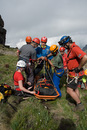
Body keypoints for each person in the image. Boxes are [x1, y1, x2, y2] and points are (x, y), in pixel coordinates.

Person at [58, 35, 87, 111]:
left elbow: (85, 57)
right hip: (73, 74)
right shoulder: (70, 50)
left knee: (69, 90)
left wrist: (78, 68)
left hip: (76, 74)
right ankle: (76, 102)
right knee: (75, 88)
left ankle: (79, 105)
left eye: (64, 45)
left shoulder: (74, 49)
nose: (64, 47)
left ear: (67, 43)